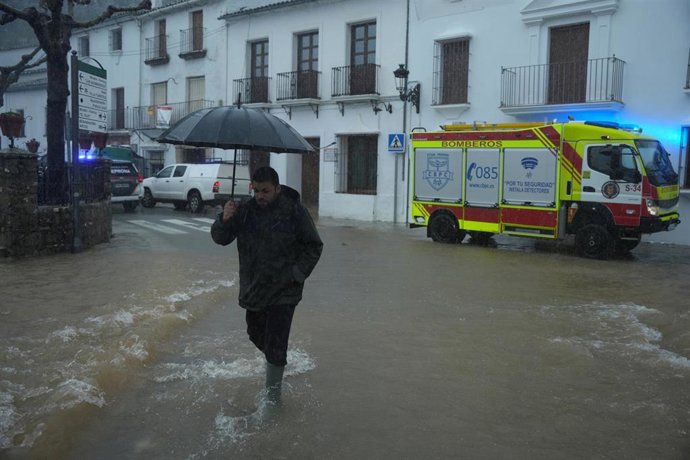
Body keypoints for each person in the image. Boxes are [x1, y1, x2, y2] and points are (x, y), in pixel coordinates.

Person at [211, 166, 323, 408]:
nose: (260, 195)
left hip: (285, 290)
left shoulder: (293, 210)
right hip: (255, 288)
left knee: (275, 343)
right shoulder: (245, 211)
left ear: (277, 189)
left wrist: (297, 274)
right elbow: (221, 239)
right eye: (257, 190)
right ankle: (277, 362)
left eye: (266, 191)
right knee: (255, 333)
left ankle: (273, 401)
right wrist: (224, 219)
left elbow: (314, 245)